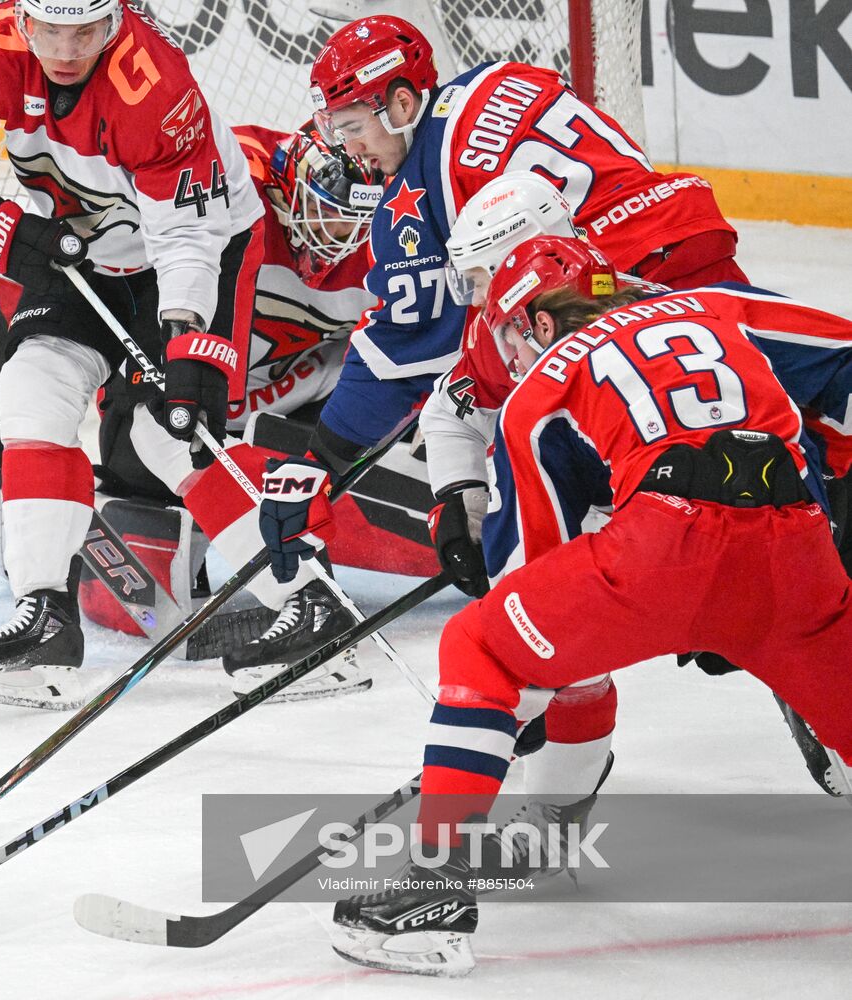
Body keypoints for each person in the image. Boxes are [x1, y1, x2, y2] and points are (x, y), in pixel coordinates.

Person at [303, 235, 852, 976]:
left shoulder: (541, 389)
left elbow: (533, 575)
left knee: (482, 647)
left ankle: (431, 889)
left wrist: (506, 712)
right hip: (799, 552)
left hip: (665, 549)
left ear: (534, 322)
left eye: (509, 334)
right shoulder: (720, 307)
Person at [240, 12, 747, 673]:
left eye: (354, 127)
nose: (353, 149)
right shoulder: (502, 80)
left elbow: (404, 349)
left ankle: (543, 651)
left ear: (399, 103)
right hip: (691, 240)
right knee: (760, 430)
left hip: (607, 291)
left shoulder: (414, 196)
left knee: (532, 431)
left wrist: (319, 462)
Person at [0, 0, 269, 708]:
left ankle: (301, 599)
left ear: (115, 20)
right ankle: (46, 621)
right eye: (49, 29)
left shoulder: (154, 88)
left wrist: (184, 337)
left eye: (85, 30)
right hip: (76, 251)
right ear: (23, 18)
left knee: (171, 428)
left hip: (190, 251)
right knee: (29, 393)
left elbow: (187, 239)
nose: (65, 48)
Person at [89, 121, 405, 700]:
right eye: (329, 212)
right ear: (288, 189)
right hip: (187, 387)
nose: (342, 234)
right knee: (160, 428)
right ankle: (304, 594)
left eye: (357, 218)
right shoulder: (231, 184)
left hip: (288, 406)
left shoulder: (388, 233)